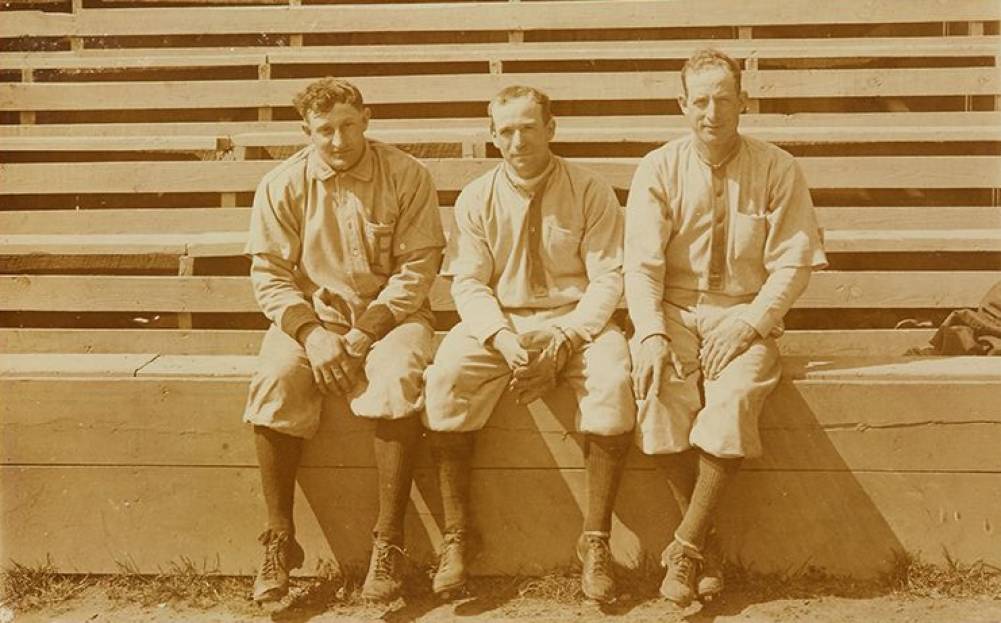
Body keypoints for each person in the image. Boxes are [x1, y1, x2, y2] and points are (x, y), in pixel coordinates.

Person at [624, 49, 828, 607]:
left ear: (743, 101)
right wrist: (650, 333)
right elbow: (641, 266)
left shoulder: (777, 166)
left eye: (723, 99)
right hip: (674, 311)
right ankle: (705, 549)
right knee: (657, 387)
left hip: (744, 312)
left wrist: (752, 323)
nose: (711, 112)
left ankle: (685, 545)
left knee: (735, 397)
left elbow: (793, 263)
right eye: (700, 101)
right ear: (682, 104)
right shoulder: (659, 167)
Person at [422, 85, 636, 604]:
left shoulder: (588, 189)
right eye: (506, 131)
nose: (518, 140)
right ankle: (457, 535)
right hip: (503, 320)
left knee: (612, 381)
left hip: (575, 319)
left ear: (550, 128)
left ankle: (596, 540)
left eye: (528, 127)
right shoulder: (478, 197)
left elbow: (609, 277)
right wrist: (499, 336)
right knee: (446, 377)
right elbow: (468, 283)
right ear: (493, 136)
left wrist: (567, 336)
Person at [242, 77, 445, 604]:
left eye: (349, 125)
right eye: (325, 130)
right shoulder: (282, 184)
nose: (338, 140)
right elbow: (269, 273)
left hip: (391, 319)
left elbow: (419, 265)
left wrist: (365, 332)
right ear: (306, 131)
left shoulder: (406, 174)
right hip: (313, 321)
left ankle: (388, 543)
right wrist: (311, 334)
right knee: (275, 379)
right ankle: (280, 540)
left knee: (399, 375)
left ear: (367, 118)